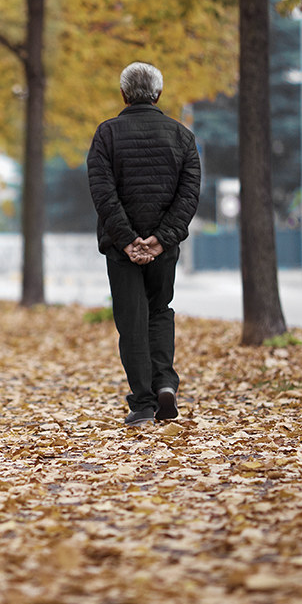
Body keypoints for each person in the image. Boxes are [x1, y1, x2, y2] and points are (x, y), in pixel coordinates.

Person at [87, 62, 202, 426]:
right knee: (159, 310)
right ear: (159, 95)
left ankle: (142, 404)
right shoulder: (182, 136)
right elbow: (189, 195)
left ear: (123, 94)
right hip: (162, 249)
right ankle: (165, 383)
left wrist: (127, 240)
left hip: (122, 249)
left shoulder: (106, 135)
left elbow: (102, 193)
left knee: (132, 321)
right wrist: (161, 239)